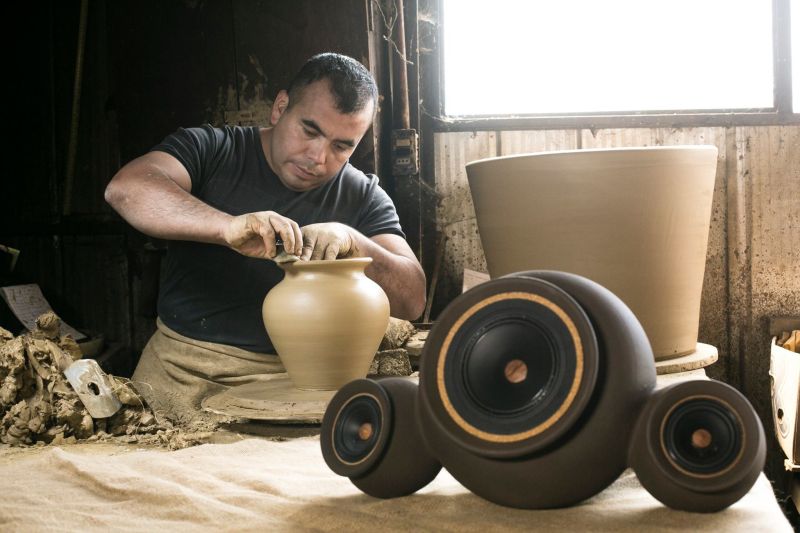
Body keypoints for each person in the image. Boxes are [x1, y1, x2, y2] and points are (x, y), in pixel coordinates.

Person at [104, 52, 426, 421]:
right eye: (310, 131)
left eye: (342, 146)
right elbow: (126, 189)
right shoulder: (211, 149)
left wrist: (356, 241)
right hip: (184, 372)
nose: (318, 158)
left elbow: (413, 299)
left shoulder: (363, 195)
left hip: (302, 388)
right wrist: (226, 227)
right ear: (280, 108)